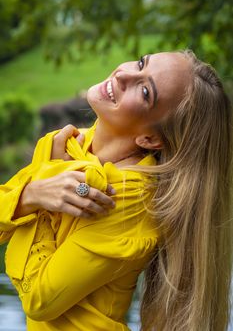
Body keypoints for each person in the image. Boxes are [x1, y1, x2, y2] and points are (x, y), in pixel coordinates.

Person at [0, 50, 232, 331]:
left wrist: (38, 195)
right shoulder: (66, 144)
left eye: (145, 91)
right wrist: (31, 194)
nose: (123, 74)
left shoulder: (131, 197)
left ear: (150, 138)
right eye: (141, 63)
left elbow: (39, 299)